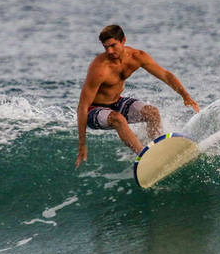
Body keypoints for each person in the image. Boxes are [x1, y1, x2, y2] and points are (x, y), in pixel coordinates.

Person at [76, 24, 200, 167]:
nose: (109, 51)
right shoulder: (99, 69)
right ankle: (145, 157)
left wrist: (185, 95)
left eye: (113, 45)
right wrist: (82, 144)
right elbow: (83, 107)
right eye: (105, 47)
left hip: (116, 102)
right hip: (94, 109)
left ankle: (159, 149)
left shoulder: (137, 57)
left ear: (123, 41)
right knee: (118, 119)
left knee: (152, 112)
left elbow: (165, 75)